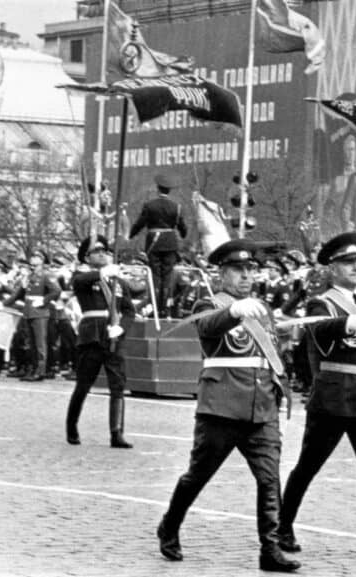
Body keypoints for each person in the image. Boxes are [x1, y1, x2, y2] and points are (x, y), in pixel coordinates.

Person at [156, 239, 299, 572]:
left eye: (250, 270)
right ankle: (170, 524)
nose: (246, 277)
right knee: (198, 475)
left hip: (261, 405)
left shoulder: (260, 307)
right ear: (221, 273)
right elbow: (207, 326)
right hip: (221, 406)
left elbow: (270, 353)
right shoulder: (208, 302)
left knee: (269, 479)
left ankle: (270, 549)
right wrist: (232, 312)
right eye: (238, 270)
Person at [277, 232, 356, 564]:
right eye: (349, 262)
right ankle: (283, 525)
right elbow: (317, 331)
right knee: (308, 466)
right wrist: (347, 322)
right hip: (334, 396)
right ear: (333, 268)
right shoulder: (324, 301)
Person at [65, 235, 136, 448]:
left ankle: (117, 432)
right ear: (87, 257)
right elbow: (79, 282)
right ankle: (72, 425)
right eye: (96, 252)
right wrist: (102, 273)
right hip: (92, 335)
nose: (102, 254)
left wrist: (122, 326)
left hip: (113, 335)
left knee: (118, 385)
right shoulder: (83, 276)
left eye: (105, 251)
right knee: (84, 384)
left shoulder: (119, 282)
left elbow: (129, 310)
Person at [129, 173, 188, 316]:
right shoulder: (176, 207)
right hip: (170, 242)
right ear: (169, 190)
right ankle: (164, 308)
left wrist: (131, 234)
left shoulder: (149, 206)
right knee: (167, 276)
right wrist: (183, 233)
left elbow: (140, 223)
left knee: (155, 275)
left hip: (154, 243)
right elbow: (182, 227)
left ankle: (154, 306)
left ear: (157, 188)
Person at [2, 249, 61, 382]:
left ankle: (40, 371)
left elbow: (56, 291)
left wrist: (44, 300)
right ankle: (33, 369)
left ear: (42, 260)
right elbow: (18, 294)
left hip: (40, 312)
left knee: (40, 344)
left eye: (37, 257)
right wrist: (3, 304)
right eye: (33, 256)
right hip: (28, 312)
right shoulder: (28, 276)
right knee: (32, 344)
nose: (33, 259)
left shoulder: (46, 275)